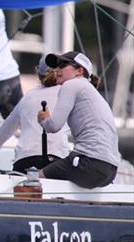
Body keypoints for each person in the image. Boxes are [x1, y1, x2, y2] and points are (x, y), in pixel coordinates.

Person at [37, 51, 120, 188]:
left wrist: (43, 119)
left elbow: (53, 126)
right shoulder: (90, 90)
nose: (56, 70)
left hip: (89, 162)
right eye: (55, 66)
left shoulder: (72, 85)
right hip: (109, 170)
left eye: (62, 65)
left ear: (79, 71)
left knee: (36, 179)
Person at [0, 56, 69, 172]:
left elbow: (2, 134)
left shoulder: (27, 97)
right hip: (55, 160)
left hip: (24, 161)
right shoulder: (68, 93)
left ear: (38, 73)